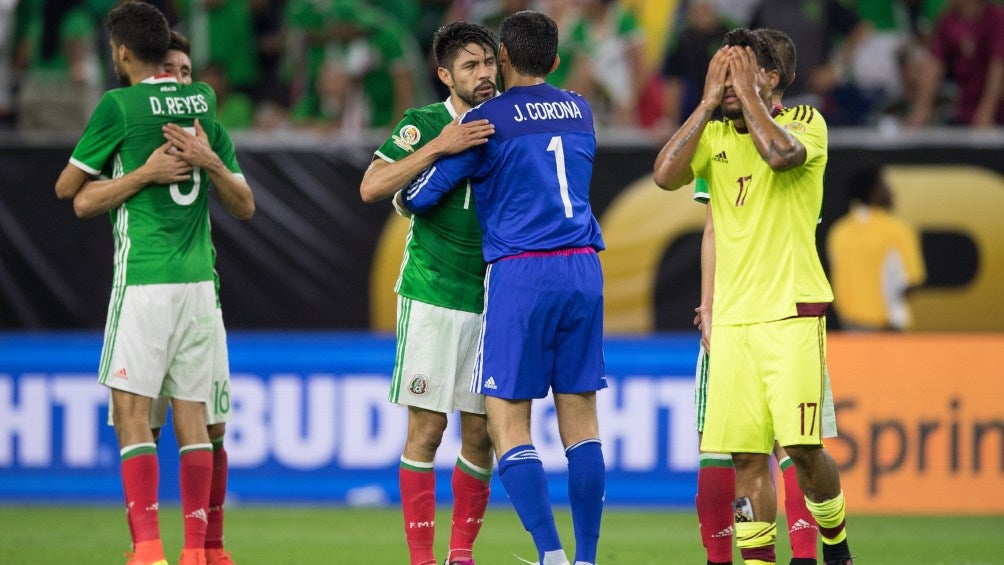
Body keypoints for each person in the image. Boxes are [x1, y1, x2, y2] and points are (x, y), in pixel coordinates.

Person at [399, 11, 606, 565]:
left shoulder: (489, 119)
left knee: (507, 421)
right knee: (581, 422)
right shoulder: (581, 110)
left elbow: (419, 197)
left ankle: (551, 554)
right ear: (556, 61)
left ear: (506, 59)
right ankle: (587, 557)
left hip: (522, 273)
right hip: (584, 267)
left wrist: (445, 149)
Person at [653, 28, 854, 565]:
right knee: (746, 460)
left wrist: (750, 93)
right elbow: (664, 174)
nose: (730, 82)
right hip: (734, 323)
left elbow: (782, 156)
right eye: (725, 70)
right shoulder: (716, 136)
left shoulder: (806, 123)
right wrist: (703, 103)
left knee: (804, 449)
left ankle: (834, 544)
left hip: (791, 313)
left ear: (773, 78)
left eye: (742, 69)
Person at [53, 3, 245, 564]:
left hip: (145, 280)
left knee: (133, 414)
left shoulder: (118, 105)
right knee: (195, 417)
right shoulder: (205, 103)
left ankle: (147, 550)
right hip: (198, 286)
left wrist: (139, 173)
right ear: (167, 56)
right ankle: (197, 551)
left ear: (121, 52)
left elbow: (70, 190)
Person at [358, 21, 498, 565]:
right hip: (432, 293)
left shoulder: (506, 121)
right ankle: (421, 558)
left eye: (488, 62)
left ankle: (460, 555)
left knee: (482, 433)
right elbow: (371, 186)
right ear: (445, 74)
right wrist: (443, 145)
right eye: (470, 65)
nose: (483, 74)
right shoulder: (421, 123)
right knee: (428, 428)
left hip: (491, 298)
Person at [827, 164, 926, 331]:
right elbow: (913, 280)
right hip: (886, 330)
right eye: (884, 184)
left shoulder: (838, 231)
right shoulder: (896, 230)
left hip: (848, 329)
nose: (890, 190)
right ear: (873, 191)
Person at [907, 0, 1004, 128]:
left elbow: (998, 66)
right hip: (967, 110)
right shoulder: (947, 20)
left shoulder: (997, 17)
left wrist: (987, 110)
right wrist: (921, 108)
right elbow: (934, 65)